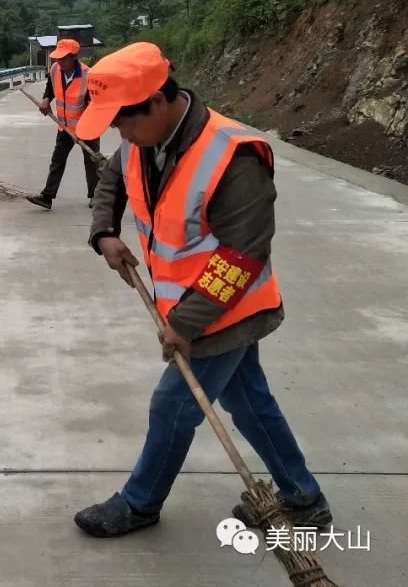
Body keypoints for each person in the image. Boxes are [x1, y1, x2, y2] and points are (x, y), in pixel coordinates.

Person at [70, 41, 330, 537]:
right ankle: (303, 498)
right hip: (186, 306)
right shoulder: (141, 139)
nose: (120, 134)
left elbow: (243, 253)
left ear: (159, 101)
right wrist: (104, 233)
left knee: (172, 406)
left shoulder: (232, 155)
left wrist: (185, 325)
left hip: (225, 310)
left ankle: (140, 502)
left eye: (124, 122)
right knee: (249, 402)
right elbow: (112, 180)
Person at [27, 38, 100, 210]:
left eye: (63, 58)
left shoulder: (88, 75)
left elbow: (95, 105)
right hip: (64, 126)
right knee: (57, 160)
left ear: (73, 57)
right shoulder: (55, 69)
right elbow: (50, 88)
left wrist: (88, 126)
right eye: (57, 58)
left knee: (92, 162)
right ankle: (47, 196)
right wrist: (46, 100)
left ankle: (96, 196)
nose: (59, 62)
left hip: (87, 128)